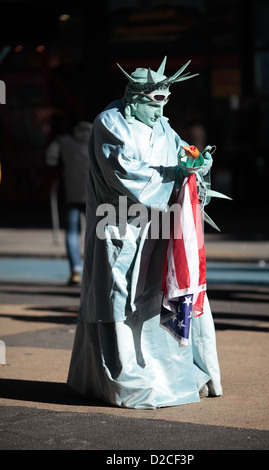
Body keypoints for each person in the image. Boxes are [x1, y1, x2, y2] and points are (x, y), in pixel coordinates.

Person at [67, 57, 223, 409]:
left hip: (158, 229)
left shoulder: (165, 128)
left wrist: (198, 167)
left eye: (167, 100)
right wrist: (174, 175)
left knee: (158, 299)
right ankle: (126, 380)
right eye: (156, 101)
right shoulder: (110, 123)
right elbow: (125, 172)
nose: (162, 109)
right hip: (119, 228)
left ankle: (172, 374)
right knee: (118, 301)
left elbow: (185, 157)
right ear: (135, 98)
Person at [46, 120, 92, 285]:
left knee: (72, 231)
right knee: (95, 232)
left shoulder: (63, 140)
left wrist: (63, 170)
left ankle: (75, 270)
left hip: (70, 192)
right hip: (93, 193)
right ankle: (93, 271)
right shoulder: (97, 139)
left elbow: (50, 160)